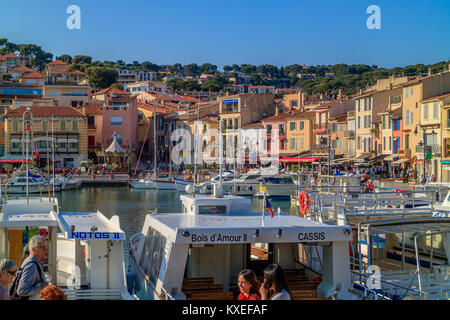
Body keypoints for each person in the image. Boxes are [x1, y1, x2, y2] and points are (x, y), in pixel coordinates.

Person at [15, 235, 48, 299]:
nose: (45, 250)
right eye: (42, 247)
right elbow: (21, 290)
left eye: (45, 247)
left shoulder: (34, 262)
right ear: (33, 249)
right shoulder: (32, 265)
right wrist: (42, 288)